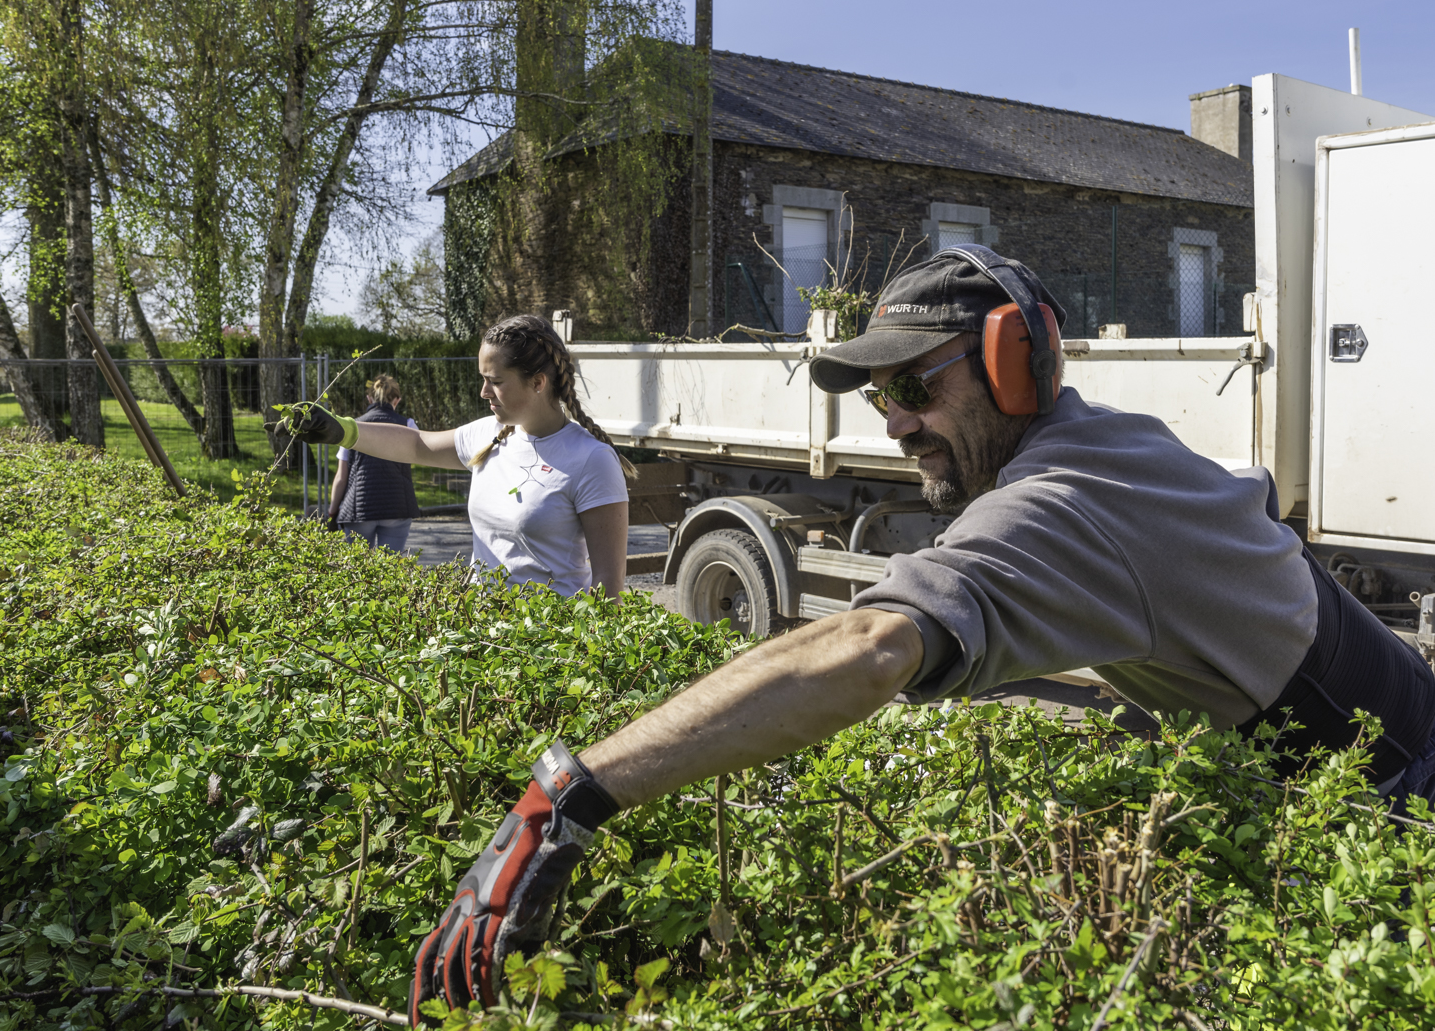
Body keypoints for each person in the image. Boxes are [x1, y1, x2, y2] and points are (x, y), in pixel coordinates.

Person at [402, 246, 1435, 1022]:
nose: (891, 420)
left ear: (1014, 365)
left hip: (1401, 797)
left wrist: (567, 793)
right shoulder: (1109, 445)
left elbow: (865, 648)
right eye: (878, 393)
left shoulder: (1061, 500)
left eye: (914, 385)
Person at [276, 314, 634, 597]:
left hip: (549, 649)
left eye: (495, 381)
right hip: (482, 641)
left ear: (538, 382)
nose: (483, 391)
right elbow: (415, 444)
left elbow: (607, 582)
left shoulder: (592, 460)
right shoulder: (488, 434)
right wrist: (343, 431)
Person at [327, 374, 421, 552]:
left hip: (359, 510)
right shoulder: (408, 425)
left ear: (369, 398)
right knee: (391, 570)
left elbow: (341, 477)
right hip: (397, 507)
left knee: (358, 571)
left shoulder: (353, 426)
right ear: (397, 400)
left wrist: (332, 511)